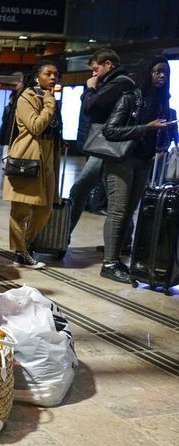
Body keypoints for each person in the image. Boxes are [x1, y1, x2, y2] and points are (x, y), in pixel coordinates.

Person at [100, 56, 171, 283]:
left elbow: (157, 134)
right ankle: (109, 264)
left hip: (143, 161)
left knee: (129, 211)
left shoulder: (162, 102)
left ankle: (116, 259)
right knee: (118, 211)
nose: (162, 76)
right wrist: (145, 128)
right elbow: (110, 130)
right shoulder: (130, 97)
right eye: (157, 71)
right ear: (146, 72)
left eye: (165, 73)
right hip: (121, 160)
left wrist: (163, 136)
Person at [68, 49, 135, 237]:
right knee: (109, 197)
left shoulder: (119, 83)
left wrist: (90, 88)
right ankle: (125, 239)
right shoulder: (114, 83)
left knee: (82, 190)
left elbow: (90, 106)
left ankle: (63, 234)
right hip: (106, 145)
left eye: (96, 69)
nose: (94, 74)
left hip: (107, 146)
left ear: (108, 64)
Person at [2, 60, 62, 269]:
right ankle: (20, 252)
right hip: (28, 155)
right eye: (48, 73)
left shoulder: (49, 97)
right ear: (37, 76)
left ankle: (25, 244)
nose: (53, 77)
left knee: (45, 208)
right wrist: (49, 104)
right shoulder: (26, 97)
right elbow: (35, 126)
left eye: (55, 74)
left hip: (48, 156)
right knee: (21, 209)